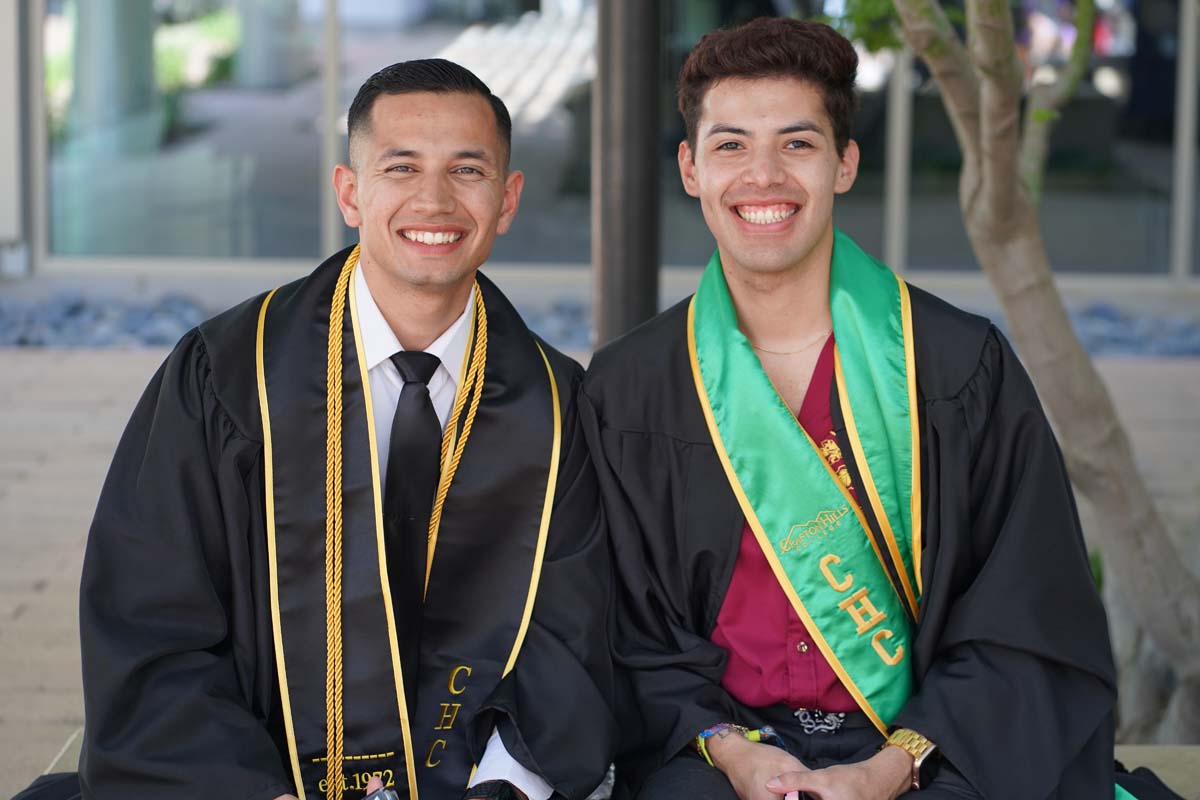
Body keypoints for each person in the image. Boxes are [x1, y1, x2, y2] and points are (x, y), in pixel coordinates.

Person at [582, 17, 1178, 800]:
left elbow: (1025, 613)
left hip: (930, 746)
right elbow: (630, 635)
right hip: (718, 751)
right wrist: (732, 753)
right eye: (731, 146)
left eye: (797, 144)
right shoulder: (632, 388)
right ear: (692, 168)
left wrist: (886, 770)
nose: (762, 177)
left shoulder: (957, 367)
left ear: (845, 164)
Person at [73, 59, 615, 800]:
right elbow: (151, 623)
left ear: (508, 198)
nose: (434, 199)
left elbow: (571, 645)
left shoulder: (559, 409)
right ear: (350, 193)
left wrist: (503, 787)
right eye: (401, 167)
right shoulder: (225, 379)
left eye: (467, 169)